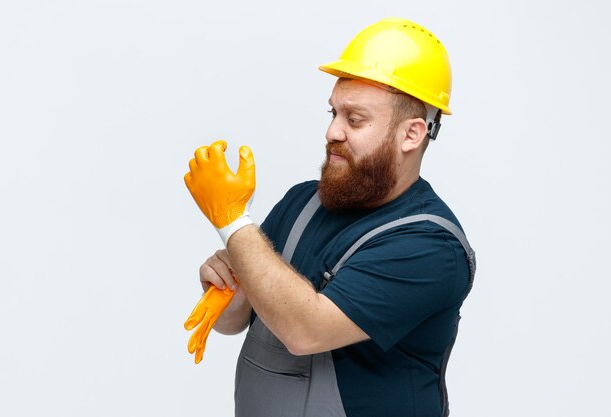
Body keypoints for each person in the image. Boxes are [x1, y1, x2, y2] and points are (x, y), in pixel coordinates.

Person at [183, 18, 476, 417]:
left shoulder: (431, 246)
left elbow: (305, 330)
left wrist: (234, 223)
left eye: (355, 120)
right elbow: (237, 320)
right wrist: (227, 290)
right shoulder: (303, 201)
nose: (332, 131)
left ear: (412, 134)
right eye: (333, 112)